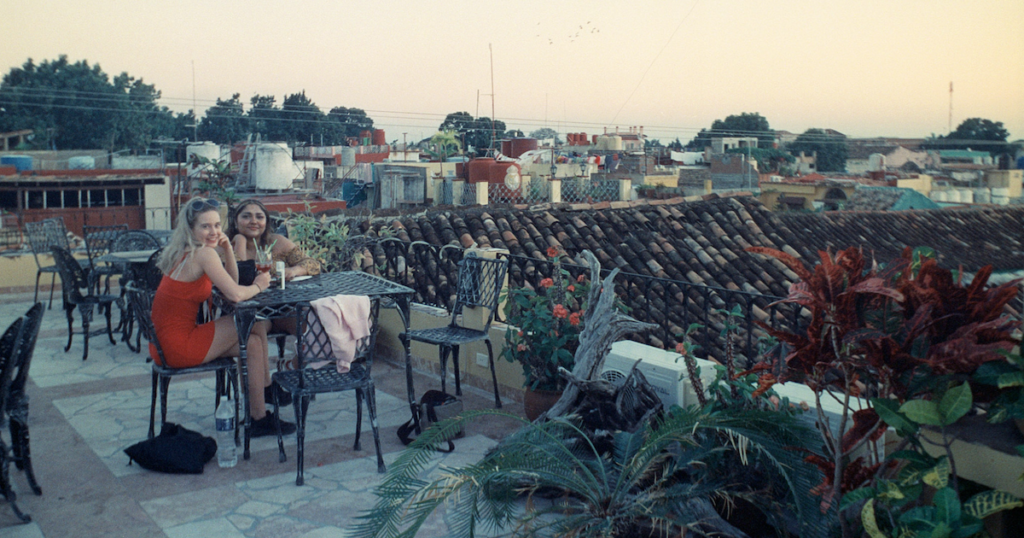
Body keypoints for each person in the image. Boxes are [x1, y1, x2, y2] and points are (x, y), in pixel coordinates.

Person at [151, 197, 295, 437]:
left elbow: (232, 278)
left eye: (217, 225)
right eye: (205, 226)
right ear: (191, 229)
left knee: (253, 341)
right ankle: (261, 404)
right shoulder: (203, 254)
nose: (213, 231)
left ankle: (257, 413)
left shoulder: (186, 251)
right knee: (254, 324)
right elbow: (237, 293)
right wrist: (260, 284)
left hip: (163, 344)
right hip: (179, 345)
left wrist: (228, 249)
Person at [229, 198, 321, 342]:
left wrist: (293, 271)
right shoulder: (226, 247)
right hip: (245, 311)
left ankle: (293, 364)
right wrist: (240, 241)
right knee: (254, 328)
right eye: (246, 216)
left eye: (259, 217)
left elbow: (313, 264)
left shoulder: (277, 242)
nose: (253, 221)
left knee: (313, 324)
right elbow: (241, 275)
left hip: (280, 309)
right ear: (235, 221)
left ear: (266, 223)